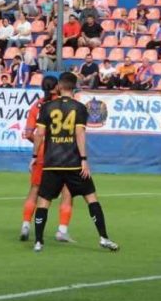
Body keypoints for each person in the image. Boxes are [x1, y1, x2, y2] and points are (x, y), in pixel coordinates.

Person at [31, 72, 119, 252]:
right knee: (91, 199)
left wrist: (34, 157)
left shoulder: (47, 107)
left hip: (52, 162)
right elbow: (79, 133)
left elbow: (39, 134)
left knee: (44, 201)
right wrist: (84, 159)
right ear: (74, 87)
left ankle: (38, 241)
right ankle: (103, 237)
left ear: (59, 87)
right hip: (73, 163)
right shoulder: (79, 107)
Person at [18, 75, 74, 243]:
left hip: (42, 154)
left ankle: (26, 225)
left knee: (35, 190)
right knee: (67, 191)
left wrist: (39, 144)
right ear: (56, 87)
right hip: (63, 153)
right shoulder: (65, 105)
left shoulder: (37, 106)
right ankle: (62, 229)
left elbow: (28, 133)